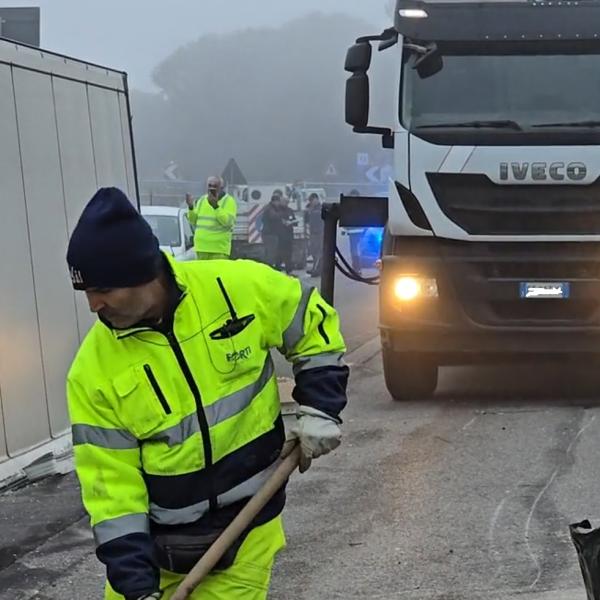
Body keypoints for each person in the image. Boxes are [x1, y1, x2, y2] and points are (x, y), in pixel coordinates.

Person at [66, 188, 349, 600]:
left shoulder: (232, 287)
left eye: (101, 289)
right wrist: (136, 587)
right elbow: (111, 491)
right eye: (86, 292)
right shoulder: (92, 371)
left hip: (245, 531)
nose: (93, 305)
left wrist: (321, 406)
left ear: (140, 273)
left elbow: (310, 320)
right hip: (155, 552)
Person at [186, 176, 237, 260]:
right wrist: (191, 207)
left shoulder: (229, 201)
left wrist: (216, 207)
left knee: (217, 273)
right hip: (201, 247)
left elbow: (228, 223)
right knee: (202, 273)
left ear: (221, 187)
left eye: (215, 186)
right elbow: (193, 221)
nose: (211, 188)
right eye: (209, 185)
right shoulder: (202, 200)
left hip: (218, 249)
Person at [344, 189, 365, 276]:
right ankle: (356, 268)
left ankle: (357, 269)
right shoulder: (358, 205)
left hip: (359, 232)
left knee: (356, 251)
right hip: (352, 232)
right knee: (354, 251)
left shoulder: (355, 206)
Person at [261, 190, 283, 268]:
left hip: (269, 233)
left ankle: (269, 266)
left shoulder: (270, 207)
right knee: (271, 252)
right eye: (278, 202)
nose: (279, 204)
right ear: (275, 201)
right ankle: (269, 267)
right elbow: (273, 216)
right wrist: (282, 214)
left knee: (270, 251)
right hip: (270, 234)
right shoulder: (270, 208)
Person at [305, 193, 324, 277]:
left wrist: (311, 211)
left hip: (320, 233)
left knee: (318, 252)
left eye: (312, 200)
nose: (311, 202)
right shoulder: (310, 208)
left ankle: (316, 269)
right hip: (313, 233)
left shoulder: (321, 208)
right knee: (313, 251)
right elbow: (307, 220)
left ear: (316, 199)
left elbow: (319, 218)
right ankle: (316, 268)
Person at [277, 196, 298, 275]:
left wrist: (291, 222)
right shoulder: (277, 210)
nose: (286, 203)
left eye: (287, 202)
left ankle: (289, 270)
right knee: (279, 254)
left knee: (289, 254)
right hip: (279, 236)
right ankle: (277, 269)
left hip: (289, 236)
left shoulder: (290, 211)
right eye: (284, 201)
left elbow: (295, 222)